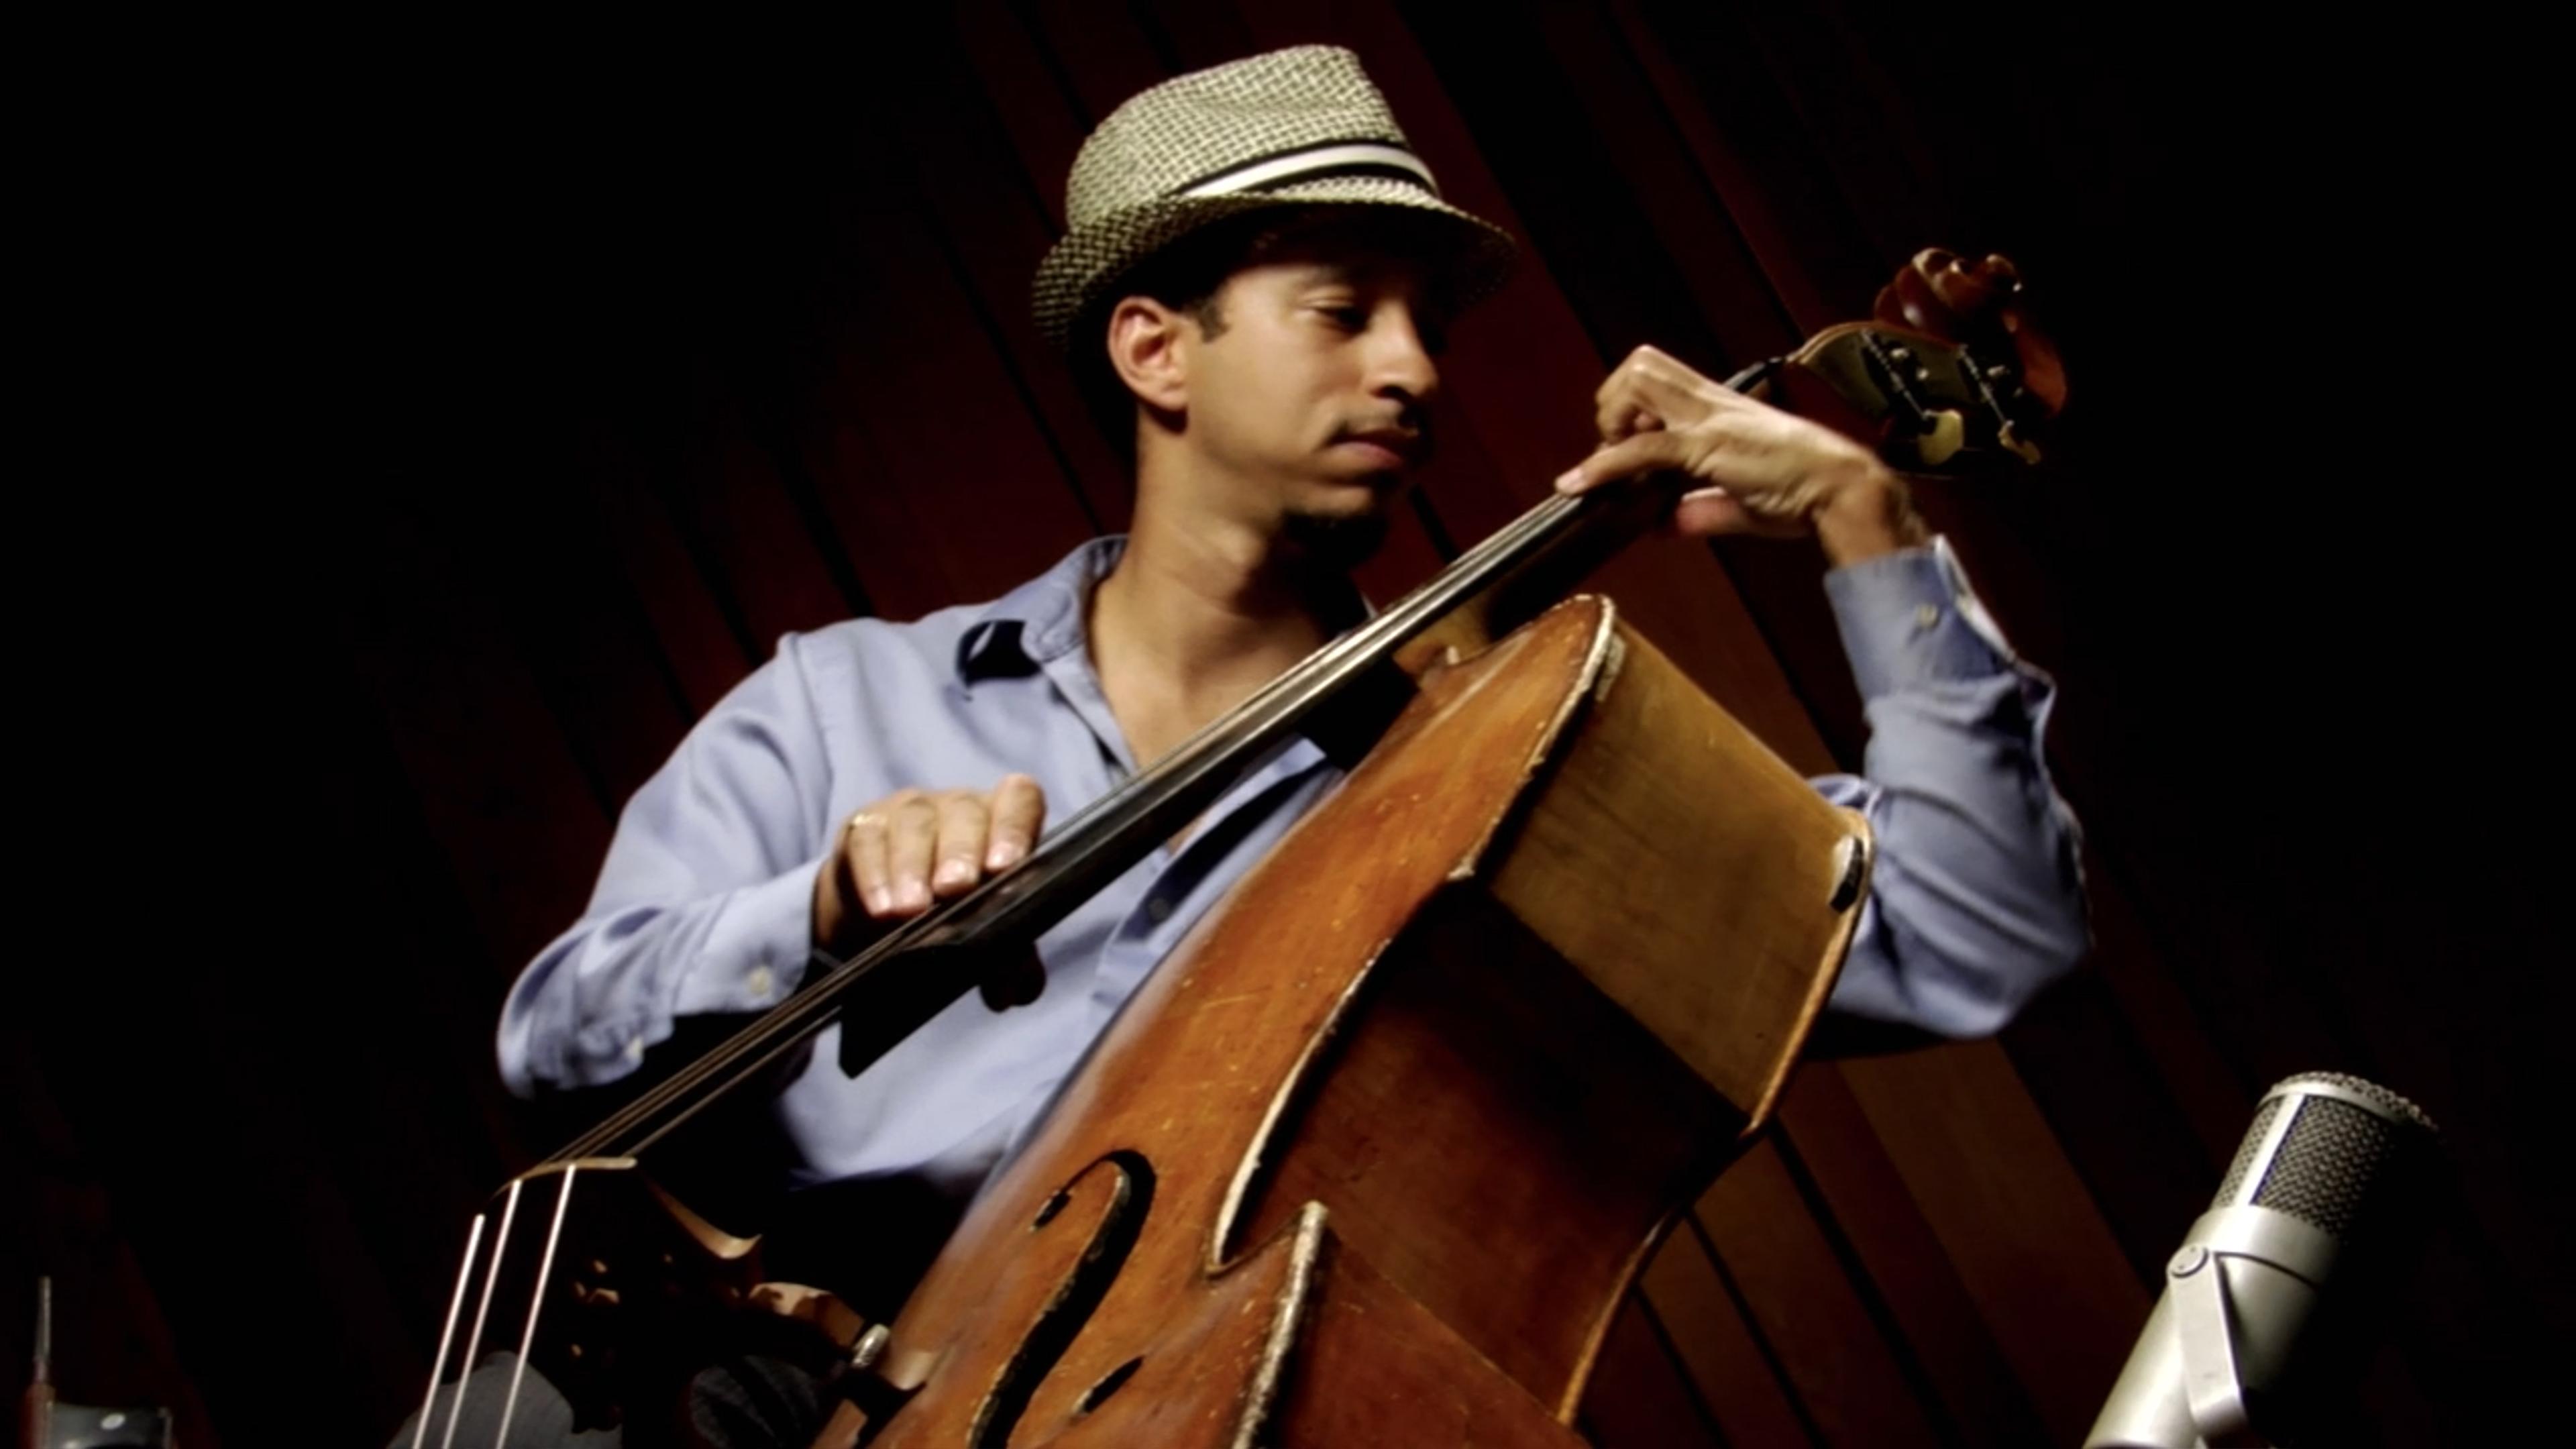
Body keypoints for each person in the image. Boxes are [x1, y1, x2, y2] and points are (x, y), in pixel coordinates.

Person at [474, 43, 2086, 1447]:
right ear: (1155, 349)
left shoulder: (1495, 797)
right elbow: (553, 1036)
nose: (1415, 367)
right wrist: (813, 911)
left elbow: (1977, 922)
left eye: (1426, 324)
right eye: (1343, 311)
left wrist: (1871, 527)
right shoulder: (844, 703)